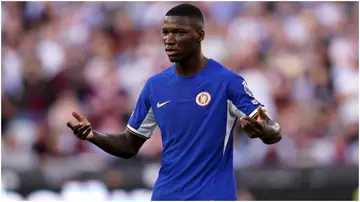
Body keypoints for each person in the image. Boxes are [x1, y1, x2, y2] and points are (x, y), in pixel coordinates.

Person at [67, 4, 281, 200]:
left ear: (200, 35)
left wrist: (265, 131)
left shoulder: (227, 82)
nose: (169, 39)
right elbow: (129, 145)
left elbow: (271, 127)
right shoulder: (155, 86)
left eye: (179, 32)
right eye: (166, 32)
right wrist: (92, 135)